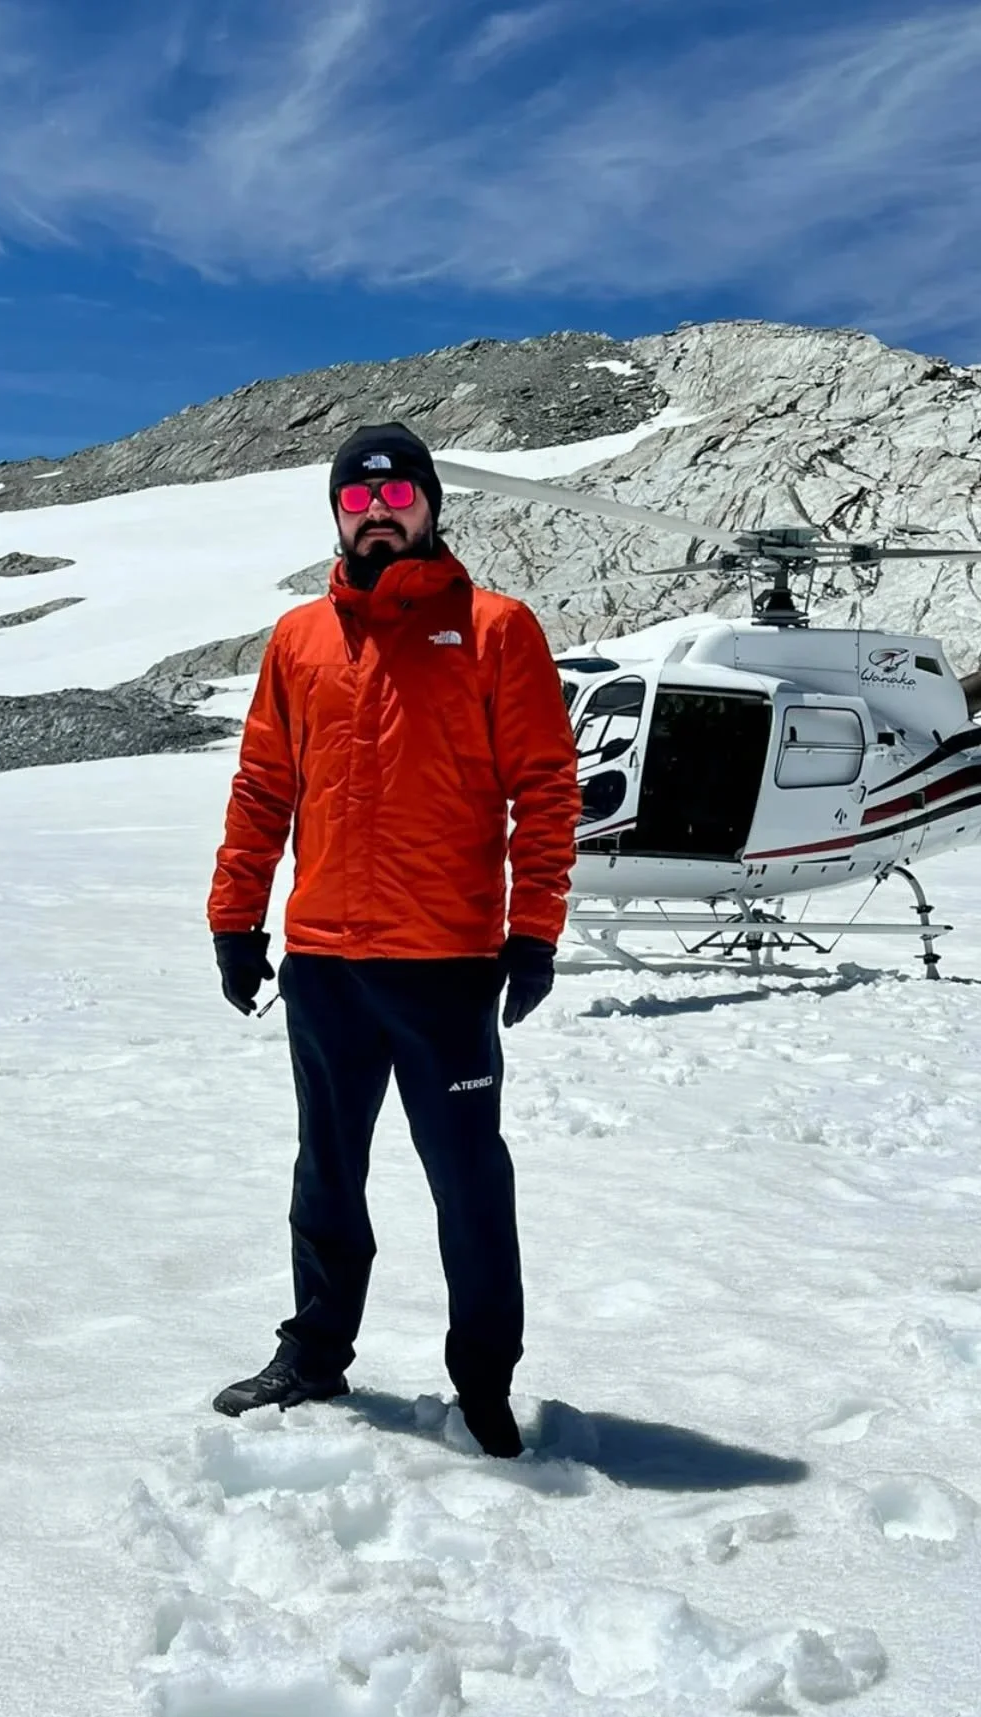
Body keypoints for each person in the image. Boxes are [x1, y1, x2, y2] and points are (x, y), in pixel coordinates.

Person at [206, 421, 581, 1457]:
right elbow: (263, 787)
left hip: (444, 967)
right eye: (359, 503)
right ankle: (315, 1354)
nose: (379, 516)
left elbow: (547, 790)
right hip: (324, 962)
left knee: (468, 1183)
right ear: (338, 515)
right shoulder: (299, 641)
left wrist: (533, 930)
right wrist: (235, 917)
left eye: (398, 497)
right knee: (325, 1173)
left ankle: (485, 1381)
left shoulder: (497, 629)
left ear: (430, 507)